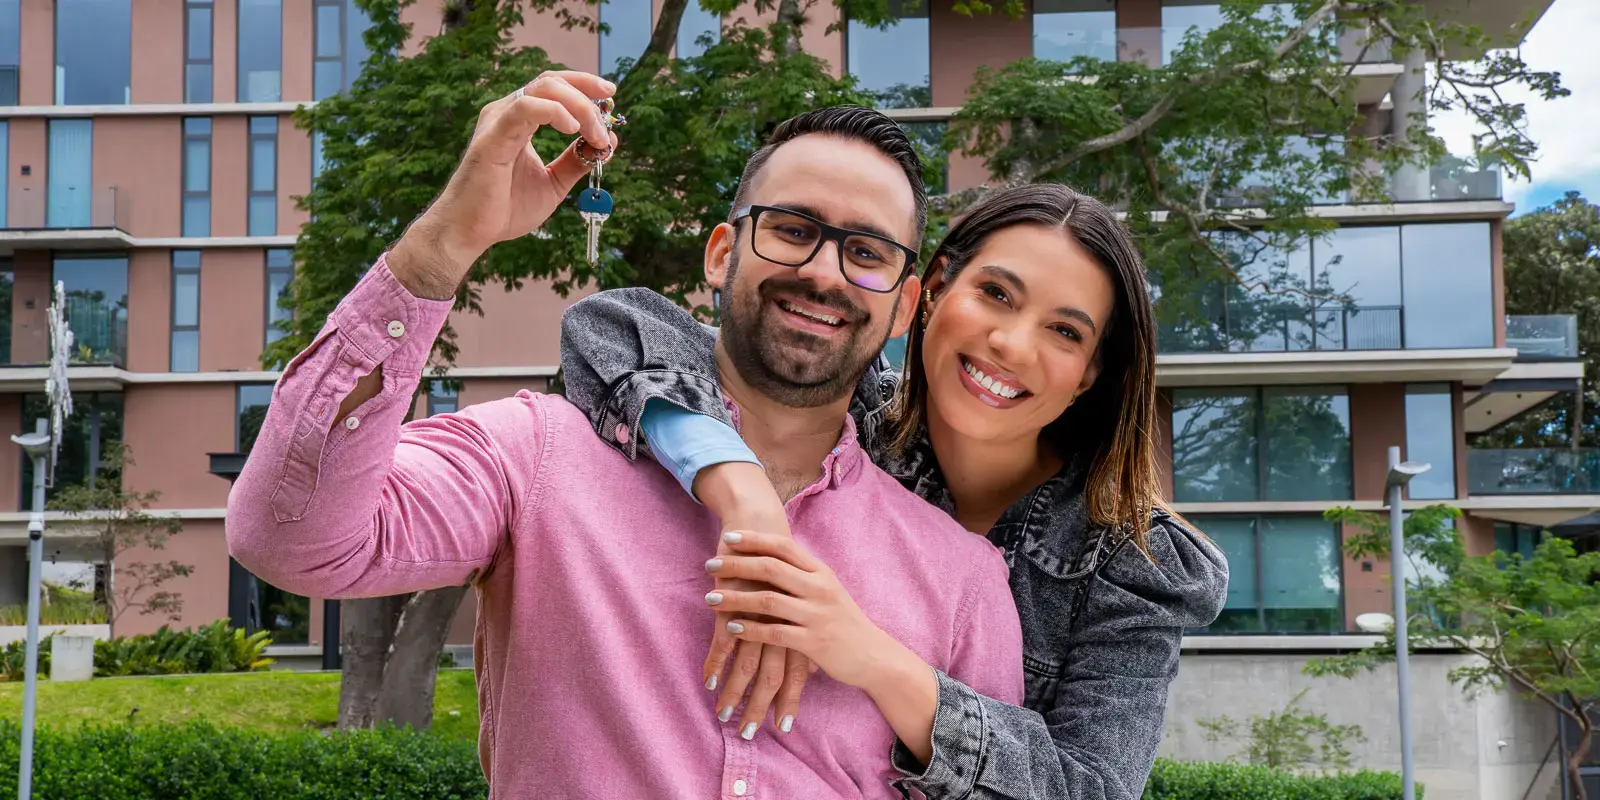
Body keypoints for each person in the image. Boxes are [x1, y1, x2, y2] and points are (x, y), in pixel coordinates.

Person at [224, 71, 1023, 798]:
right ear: (721, 254)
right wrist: (445, 246)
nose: (822, 271)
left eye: (866, 252)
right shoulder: (536, 455)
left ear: (903, 304)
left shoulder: (962, 578)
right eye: (791, 228)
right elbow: (290, 540)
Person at [559, 182, 1231, 799]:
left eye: (1064, 331)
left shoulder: (1130, 562)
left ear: (1089, 373)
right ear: (931, 289)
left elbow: (1092, 787)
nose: (1010, 343)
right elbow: (615, 327)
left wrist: (874, 659)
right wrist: (744, 491)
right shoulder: (847, 418)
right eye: (996, 294)